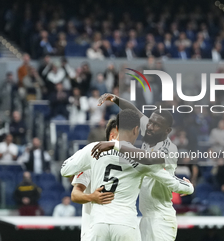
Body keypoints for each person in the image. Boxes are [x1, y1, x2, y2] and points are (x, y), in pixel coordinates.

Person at [61, 109, 194, 241]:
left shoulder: (94, 148)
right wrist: (187, 187)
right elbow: (173, 183)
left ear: (117, 128)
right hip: (125, 224)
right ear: (136, 130)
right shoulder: (141, 158)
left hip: (98, 223)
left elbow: (65, 170)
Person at [95, 94, 183, 241]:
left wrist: (116, 145)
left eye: (156, 125)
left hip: (161, 219)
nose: (149, 126)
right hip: (146, 217)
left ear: (167, 131)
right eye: (150, 122)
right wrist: (115, 99)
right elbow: (135, 111)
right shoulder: (151, 130)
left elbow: (148, 159)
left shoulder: (170, 149)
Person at [71, 119, 117, 240]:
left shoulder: (129, 163)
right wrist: (91, 197)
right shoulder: (91, 160)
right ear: (111, 137)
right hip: (92, 230)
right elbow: (75, 194)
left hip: (118, 230)